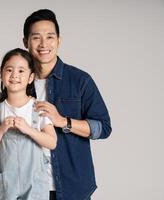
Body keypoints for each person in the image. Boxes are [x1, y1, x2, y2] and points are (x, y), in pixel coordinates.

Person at [23, 9, 112, 200]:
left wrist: (63, 121)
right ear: (26, 42)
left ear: (59, 40)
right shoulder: (18, 82)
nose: (44, 44)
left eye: (50, 36)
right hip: (29, 187)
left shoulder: (80, 80)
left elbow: (103, 127)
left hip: (72, 187)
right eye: (36, 37)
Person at [0, 48, 57, 200]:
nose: (15, 75)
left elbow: (52, 142)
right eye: (9, 69)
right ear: (2, 74)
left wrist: (29, 130)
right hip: (6, 182)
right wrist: (1, 129)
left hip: (34, 182)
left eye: (21, 71)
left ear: (31, 77)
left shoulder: (38, 107)